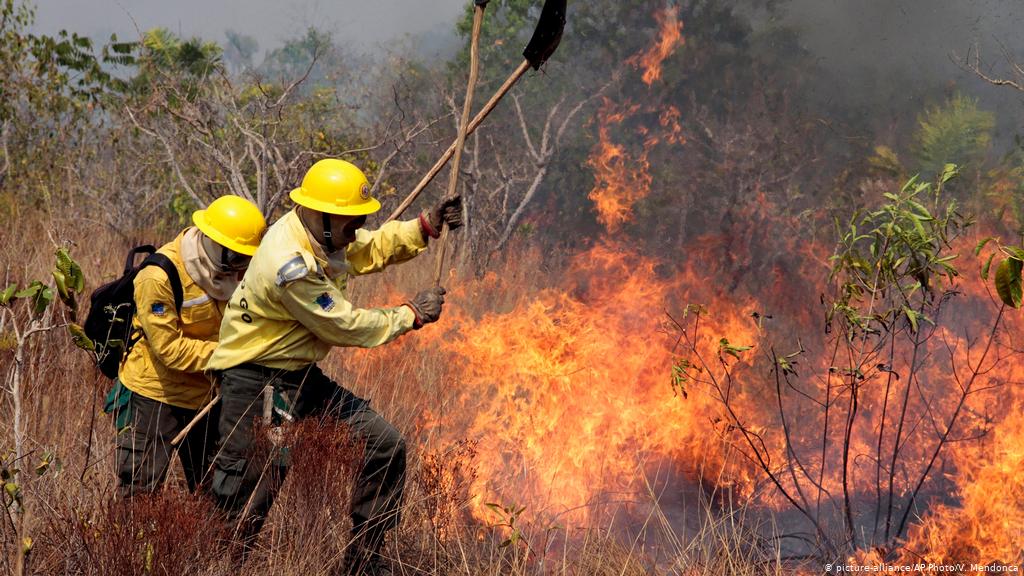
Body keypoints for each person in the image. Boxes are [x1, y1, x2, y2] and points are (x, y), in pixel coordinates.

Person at [206, 158, 460, 574]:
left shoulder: (318, 235)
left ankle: (363, 564)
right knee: (254, 489)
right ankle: (217, 566)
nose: (356, 231)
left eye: (359, 222)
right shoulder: (290, 263)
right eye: (350, 224)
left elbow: (365, 249)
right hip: (259, 383)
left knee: (384, 444)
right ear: (321, 215)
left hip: (299, 377)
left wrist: (423, 227)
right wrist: (410, 315)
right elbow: (342, 324)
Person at [106, 195, 267, 496]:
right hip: (155, 395)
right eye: (236, 257)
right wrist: (232, 355)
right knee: (140, 491)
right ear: (213, 243)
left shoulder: (232, 274)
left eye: (247, 259)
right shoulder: (159, 276)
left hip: (207, 394)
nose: (241, 267)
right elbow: (168, 349)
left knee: (216, 490)